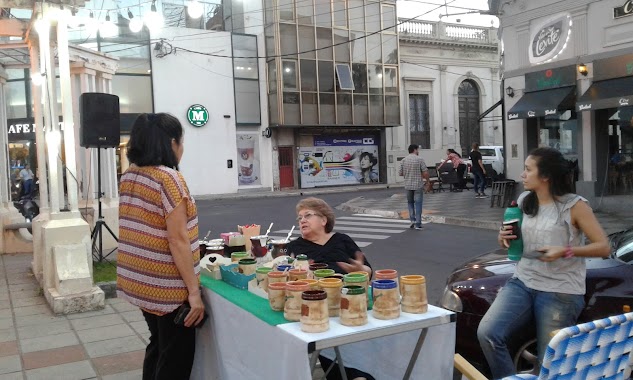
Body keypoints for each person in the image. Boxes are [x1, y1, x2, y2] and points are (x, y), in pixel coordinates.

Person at [476, 147, 610, 379]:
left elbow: (603, 246)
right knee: (488, 333)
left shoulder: (574, 205)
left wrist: (564, 251)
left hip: (560, 291)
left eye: (528, 170)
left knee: (549, 360)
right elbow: (512, 238)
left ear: (545, 176)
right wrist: (503, 237)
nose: (522, 175)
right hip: (523, 281)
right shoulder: (524, 201)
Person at [117, 113, 205, 380]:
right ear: (171, 143)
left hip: (139, 280)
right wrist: (194, 293)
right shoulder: (168, 179)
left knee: (158, 344)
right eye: (181, 140)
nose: (182, 147)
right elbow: (177, 239)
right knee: (175, 358)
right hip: (166, 288)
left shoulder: (130, 174)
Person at [286, 197, 374, 380]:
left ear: (324, 220)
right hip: (318, 308)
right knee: (332, 344)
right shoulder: (294, 247)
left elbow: (368, 271)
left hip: (351, 302)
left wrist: (361, 270)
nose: (302, 220)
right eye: (299, 217)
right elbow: (288, 277)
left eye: (307, 215)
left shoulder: (342, 239)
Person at [399, 144, 431, 230]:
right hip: (418, 185)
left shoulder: (403, 160)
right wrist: (427, 182)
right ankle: (418, 223)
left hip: (408, 185)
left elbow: (400, 173)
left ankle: (412, 220)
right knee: (418, 204)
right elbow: (425, 172)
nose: (418, 151)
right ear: (414, 150)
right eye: (417, 149)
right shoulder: (420, 159)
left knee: (410, 203)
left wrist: (408, 173)